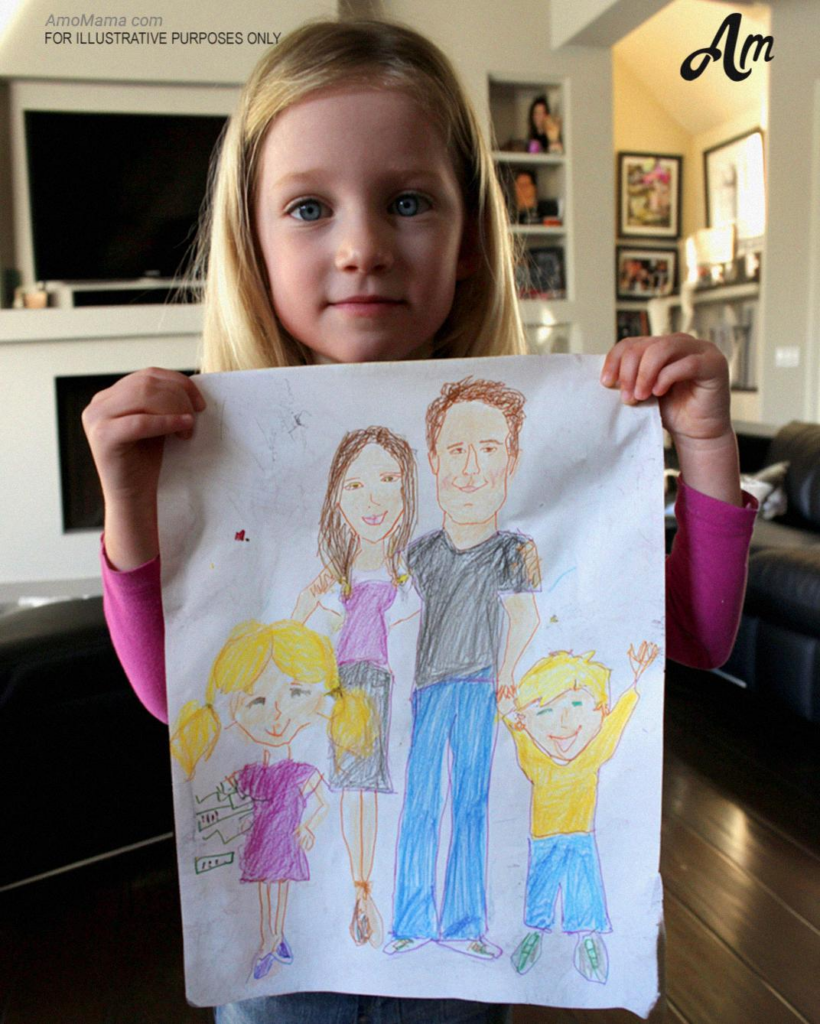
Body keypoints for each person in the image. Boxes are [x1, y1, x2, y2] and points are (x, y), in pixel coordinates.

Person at [81, 16, 757, 1024]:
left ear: (471, 240)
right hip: (287, 969)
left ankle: (435, 912)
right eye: (308, 207)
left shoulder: (538, 471)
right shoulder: (213, 451)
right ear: (251, 245)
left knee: (453, 812)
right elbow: (176, 696)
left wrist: (704, 445)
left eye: (407, 201)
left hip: (459, 983)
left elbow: (692, 635)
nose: (360, 248)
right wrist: (129, 503)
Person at [387, 378, 540, 960]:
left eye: (489, 449)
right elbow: (401, 617)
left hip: (480, 688)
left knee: (471, 803)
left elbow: (524, 617)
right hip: (428, 688)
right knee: (421, 801)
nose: (471, 468)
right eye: (456, 450)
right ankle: (409, 921)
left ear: (512, 460)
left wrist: (506, 677)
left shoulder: (514, 550)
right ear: (433, 460)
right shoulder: (420, 552)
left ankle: (464, 925)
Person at [292, 426, 420, 950]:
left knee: (371, 788)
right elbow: (300, 622)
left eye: (388, 481)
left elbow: (416, 625)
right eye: (356, 486)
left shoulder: (406, 567)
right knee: (354, 789)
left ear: (406, 491)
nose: (373, 499)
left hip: (386, 684)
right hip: (347, 685)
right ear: (337, 499)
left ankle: (368, 890)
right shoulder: (338, 572)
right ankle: (360, 888)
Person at [170, 619, 338, 981]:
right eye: (258, 701)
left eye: (295, 694)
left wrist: (308, 827)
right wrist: (231, 816)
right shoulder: (252, 774)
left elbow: (323, 802)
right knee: (265, 891)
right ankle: (268, 941)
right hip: (262, 841)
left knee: (281, 888)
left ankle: (277, 937)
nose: (276, 716)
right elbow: (223, 794)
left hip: (286, 841)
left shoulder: (299, 772)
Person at [499, 643, 658, 984]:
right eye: (545, 711)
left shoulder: (591, 756)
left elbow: (615, 725)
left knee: (583, 888)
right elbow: (519, 735)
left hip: (580, 837)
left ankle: (587, 939)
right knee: (540, 888)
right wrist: (509, 714)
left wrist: (635, 681)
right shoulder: (536, 761)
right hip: (543, 839)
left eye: (576, 705)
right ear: (529, 718)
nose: (564, 722)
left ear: (599, 710)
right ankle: (534, 935)